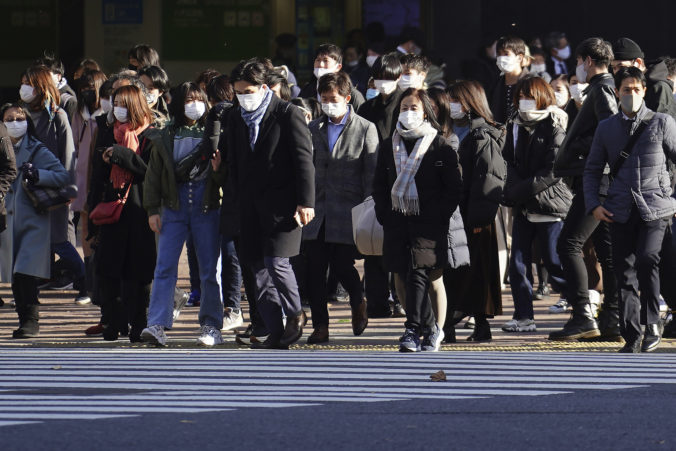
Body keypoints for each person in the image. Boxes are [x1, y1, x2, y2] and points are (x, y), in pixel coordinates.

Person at [220, 58, 314, 349]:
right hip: (247, 204)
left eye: (248, 90)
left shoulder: (287, 113)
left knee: (277, 262)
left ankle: (296, 314)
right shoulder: (235, 117)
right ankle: (274, 329)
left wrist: (305, 201)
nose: (243, 97)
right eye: (238, 92)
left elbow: (303, 161)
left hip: (283, 204)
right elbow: (232, 162)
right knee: (257, 269)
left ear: (263, 88)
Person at [584, 67, 676, 353]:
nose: (632, 94)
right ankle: (631, 333)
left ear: (645, 91)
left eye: (637, 89)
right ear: (617, 92)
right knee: (623, 271)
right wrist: (594, 205)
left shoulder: (662, 122)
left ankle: (652, 324)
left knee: (648, 260)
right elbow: (592, 169)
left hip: (655, 206)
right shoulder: (607, 127)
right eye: (626, 89)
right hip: (619, 208)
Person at [372, 87, 463, 352]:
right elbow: (379, 185)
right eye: (404, 108)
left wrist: (437, 215)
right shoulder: (390, 145)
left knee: (424, 275)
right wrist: (385, 213)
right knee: (401, 273)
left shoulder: (440, 145)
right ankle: (424, 326)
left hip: (429, 223)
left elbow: (453, 188)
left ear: (426, 111)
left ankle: (419, 330)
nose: (408, 113)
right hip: (397, 220)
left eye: (414, 108)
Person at [142, 82, 224, 347]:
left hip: (207, 205)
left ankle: (212, 326)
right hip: (172, 206)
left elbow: (224, 173)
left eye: (199, 99)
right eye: (189, 99)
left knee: (210, 269)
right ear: (178, 103)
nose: (195, 104)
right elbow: (153, 175)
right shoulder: (165, 132)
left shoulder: (215, 132)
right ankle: (157, 324)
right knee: (164, 267)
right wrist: (153, 210)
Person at [551, 37, 619, 341]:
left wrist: (581, 148)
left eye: (579, 62)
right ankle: (612, 318)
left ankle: (582, 315)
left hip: (598, 180)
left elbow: (611, 130)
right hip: (602, 179)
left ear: (587, 61)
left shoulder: (603, 88)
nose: (577, 68)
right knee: (607, 251)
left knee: (568, 243)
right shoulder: (603, 87)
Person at [303, 72, 378, 344]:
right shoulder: (314, 129)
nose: (328, 104)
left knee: (342, 264)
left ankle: (358, 299)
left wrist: (369, 205)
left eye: (333, 99)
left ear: (347, 98)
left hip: (349, 209)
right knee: (315, 268)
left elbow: (371, 172)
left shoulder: (365, 128)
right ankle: (321, 326)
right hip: (317, 209)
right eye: (323, 99)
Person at [502, 77, 573, 333]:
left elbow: (553, 170)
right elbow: (507, 160)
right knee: (518, 263)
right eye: (520, 97)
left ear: (543, 97)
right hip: (523, 205)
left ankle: (582, 305)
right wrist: (513, 189)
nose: (524, 101)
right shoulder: (515, 125)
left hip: (550, 204)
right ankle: (523, 316)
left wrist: (519, 190)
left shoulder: (555, 124)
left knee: (554, 263)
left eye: (529, 96)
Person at [93, 85, 158, 342]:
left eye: (123, 103)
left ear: (135, 106)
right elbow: (97, 175)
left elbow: (151, 172)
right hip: (113, 211)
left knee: (138, 272)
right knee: (108, 268)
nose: (117, 109)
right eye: (115, 102)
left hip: (140, 212)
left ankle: (138, 322)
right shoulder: (110, 133)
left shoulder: (151, 136)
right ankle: (112, 321)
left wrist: (121, 155)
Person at [444, 80, 505, 342]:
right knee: (466, 271)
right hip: (460, 213)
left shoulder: (482, 135)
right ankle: (474, 325)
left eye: (455, 100)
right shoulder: (456, 130)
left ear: (469, 102)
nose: (451, 106)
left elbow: (489, 178)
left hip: (475, 215)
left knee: (471, 271)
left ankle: (456, 323)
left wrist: (479, 217)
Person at [19, 65, 84, 303]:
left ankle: (85, 280)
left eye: (29, 82)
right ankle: (28, 295)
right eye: (23, 82)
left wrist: (69, 187)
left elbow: (69, 154)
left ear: (41, 86)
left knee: (59, 240)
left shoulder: (58, 115)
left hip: (52, 185)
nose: (24, 87)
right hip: (25, 187)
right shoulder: (21, 114)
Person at [0, 103, 64, 338]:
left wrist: (37, 175)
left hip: (30, 217)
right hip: (5, 215)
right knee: (15, 273)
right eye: (9, 119)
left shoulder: (37, 150)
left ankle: (30, 320)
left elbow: (61, 176)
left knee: (23, 271)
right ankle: (25, 319)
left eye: (19, 118)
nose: (15, 123)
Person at [358, 53, 405, 319]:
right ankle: (377, 301)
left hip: (402, 180)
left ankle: (400, 298)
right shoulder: (367, 108)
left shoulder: (407, 104)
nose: (382, 83)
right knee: (373, 244)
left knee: (398, 245)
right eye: (378, 78)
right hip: (374, 182)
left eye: (388, 78)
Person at [71, 69, 107, 304]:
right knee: (85, 228)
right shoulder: (78, 113)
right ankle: (89, 283)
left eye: (90, 88)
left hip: (102, 180)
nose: (85, 92)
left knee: (103, 229)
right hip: (81, 179)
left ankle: (102, 282)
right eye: (82, 88)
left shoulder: (108, 115)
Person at [611, 38, 676, 119]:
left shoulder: (659, 87)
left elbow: (661, 126)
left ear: (638, 62)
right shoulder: (620, 85)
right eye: (613, 68)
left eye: (621, 66)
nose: (617, 72)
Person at [298, 44, 365, 110]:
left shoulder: (353, 95)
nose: (320, 64)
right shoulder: (307, 90)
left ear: (338, 67)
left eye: (325, 60)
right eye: (318, 60)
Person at [489, 36, 532, 124]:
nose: (501, 58)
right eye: (499, 54)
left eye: (506, 54)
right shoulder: (496, 82)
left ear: (519, 58)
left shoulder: (532, 82)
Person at [34, 55, 77, 123]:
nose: (41, 78)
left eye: (46, 74)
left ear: (58, 77)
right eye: (38, 74)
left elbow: (72, 131)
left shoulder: (69, 101)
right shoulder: (35, 96)